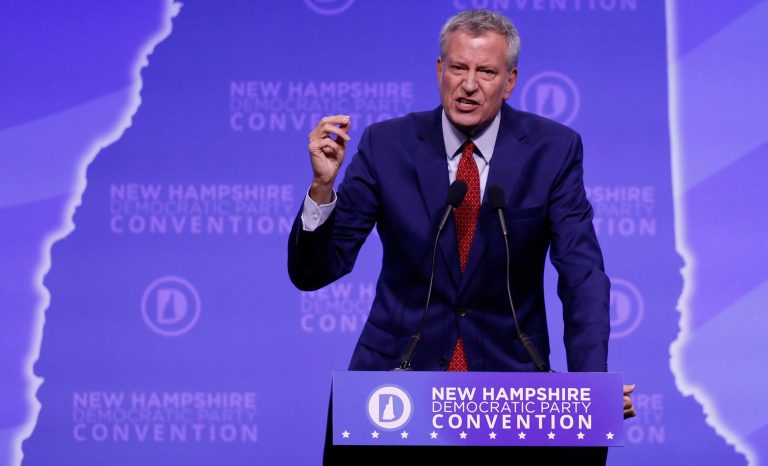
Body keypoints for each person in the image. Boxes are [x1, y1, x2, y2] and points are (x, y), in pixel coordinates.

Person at [288, 9, 634, 465]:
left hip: (510, 397)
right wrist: (322, 188)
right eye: (458, 68)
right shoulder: (386, 145)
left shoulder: (554, 150)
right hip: (395, 391)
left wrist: (590, 388)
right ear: (439, 71)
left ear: (509, 82)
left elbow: (581, 274)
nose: (468, 84)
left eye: (485, 72)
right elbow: (315, 271)